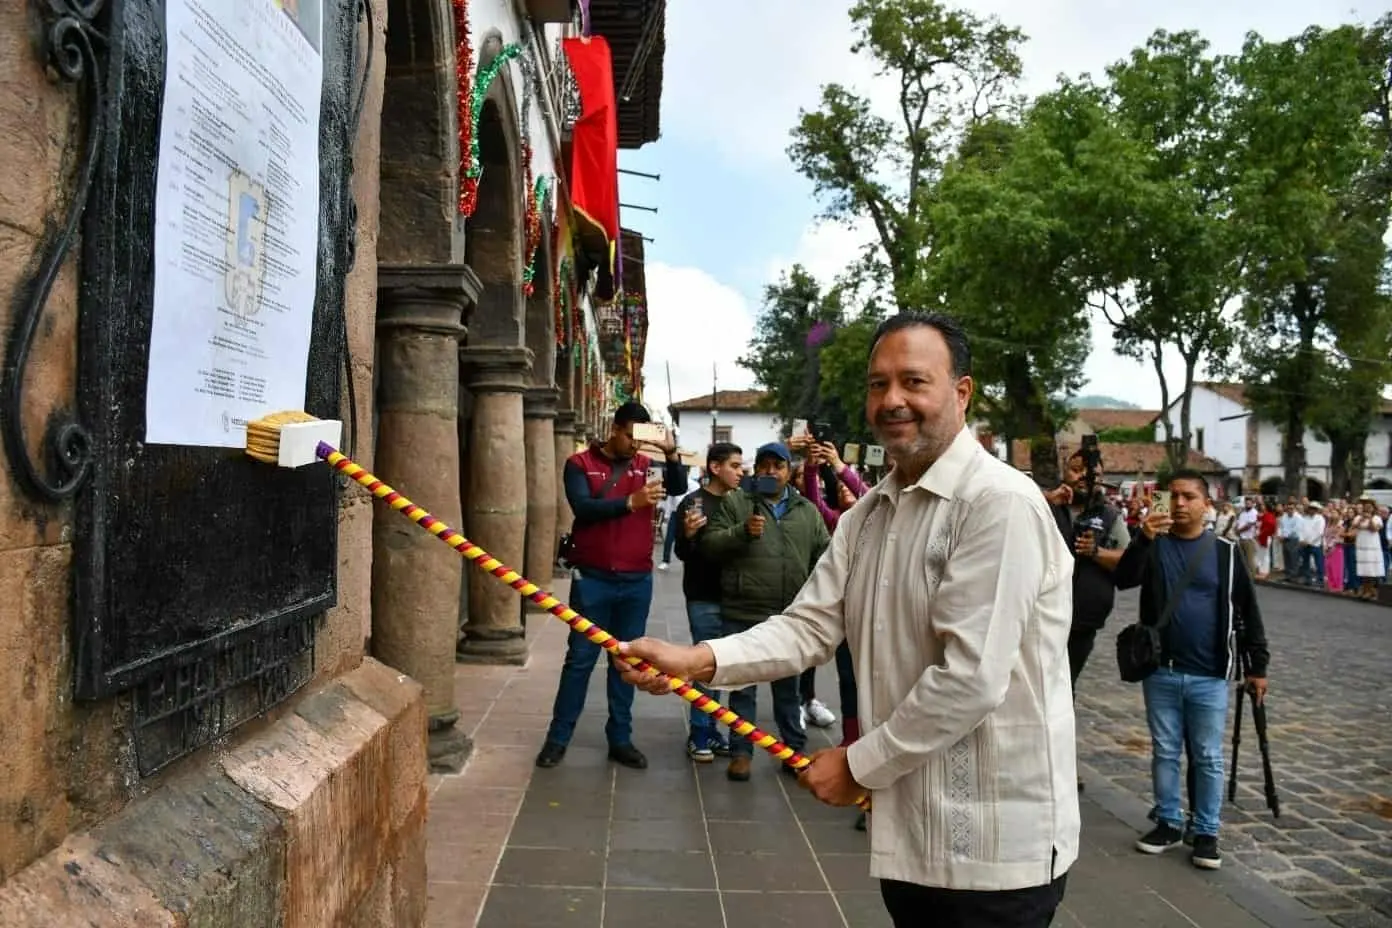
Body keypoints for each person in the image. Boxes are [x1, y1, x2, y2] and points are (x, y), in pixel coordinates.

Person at [613, 312, 1078, 927]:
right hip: (909, 831)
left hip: (993, 851)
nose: (892, 400)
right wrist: (696, 660)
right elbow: (808, 625)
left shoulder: (999, 504)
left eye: (914, 381)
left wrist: (857, 766)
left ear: (962, 392)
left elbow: (970, 679)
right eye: (878, 384)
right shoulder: (869, 516)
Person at [1113, 471, 1270, 872]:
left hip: (1210, 671)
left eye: (1189, 497)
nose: (1180, 503)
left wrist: (1258, 666)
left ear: (1206, 504)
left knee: (1208, 756)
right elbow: (1124, 579)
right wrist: (1143, 538)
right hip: (1161, 669)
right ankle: (1168, 821)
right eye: (1174, 496)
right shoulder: (1155, 545)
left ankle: (1206, 830)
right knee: (1165, 750)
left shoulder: (1225, 552)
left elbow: (1248, 609)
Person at [535, 402, 688, 771]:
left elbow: (679, 486)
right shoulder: (579, 464)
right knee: (580, 660)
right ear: (615, 429)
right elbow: (583, 508)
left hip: (636, 580)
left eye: (641, 439)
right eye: (630, 436)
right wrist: (631, 502)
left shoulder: (646, 465)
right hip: (593, 579)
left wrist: (670, 453)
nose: (635, 445)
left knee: (628, 661)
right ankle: (558, 738)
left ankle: (620, 739)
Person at [698, 441, 830, 782]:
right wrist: (741, 532)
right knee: (742, 689)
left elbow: (824, 556)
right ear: (756, 469)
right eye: (764, 465)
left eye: (778, 466)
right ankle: (741, 753)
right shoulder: (737, 502)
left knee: (789, 690)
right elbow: (709, 545)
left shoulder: (806, 510)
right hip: (743, 610)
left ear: (789, 470)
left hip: (789, 615)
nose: (771, 471)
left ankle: (794, 752)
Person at [671, 442, 744, 761]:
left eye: (742, 467)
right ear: (715, 468)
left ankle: (713, 731)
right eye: (735, 466)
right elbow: (682, 553)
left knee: (725, 669)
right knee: (704, 667)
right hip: (704, 596)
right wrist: (688, 535)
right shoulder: (694, 502)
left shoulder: (742, 502)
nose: (741, 473)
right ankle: (700, 733)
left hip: (737, 597)